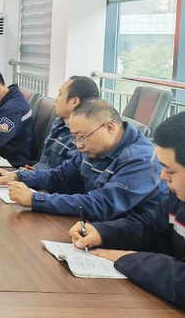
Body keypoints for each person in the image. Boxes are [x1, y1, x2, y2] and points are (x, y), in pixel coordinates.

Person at [68, 112, 185, 310]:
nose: (163, 176)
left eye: (170, 170)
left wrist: (129, 259)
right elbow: (150, 226)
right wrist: (103, 232)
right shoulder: (179, 195)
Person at [0, 98, 167, 221]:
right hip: (95, 228)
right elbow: (60, 176)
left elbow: (101, 204)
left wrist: (35, 199)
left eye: (81, 137)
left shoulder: (141, 159)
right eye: (74, 137)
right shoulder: (93, 148)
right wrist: (18, 176)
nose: (78, 145)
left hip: (129, 242)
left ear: (109, 128)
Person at [33, 76, 100, 170]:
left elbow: (63, 175)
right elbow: (44, 165)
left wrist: (30, 175)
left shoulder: (82, 136)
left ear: (74, 102)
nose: (55, 99)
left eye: (60, 95)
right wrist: (27, 172)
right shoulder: (59, 123)